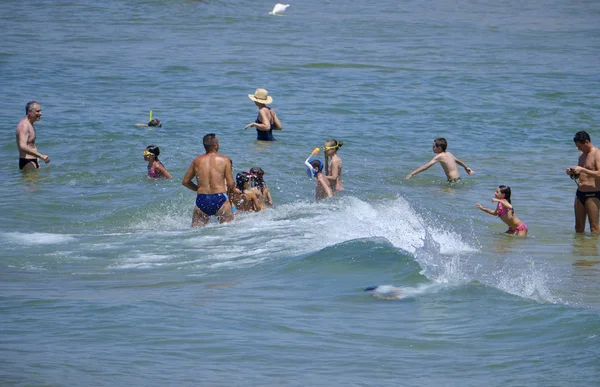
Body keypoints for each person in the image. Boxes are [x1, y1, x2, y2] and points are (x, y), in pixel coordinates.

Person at [182, 134, 235, 227]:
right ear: (216, 145)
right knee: (229, 232)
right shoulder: (224, 159)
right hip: (220, 198)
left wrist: (198, 189)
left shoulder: (197, 161)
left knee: (196, 234)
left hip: (202, 199)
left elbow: (185, 181)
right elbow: (231, 184)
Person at [566, 131, 600, 233]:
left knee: (594, 228)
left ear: (586, 142)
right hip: (579, 193)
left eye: (579, 146)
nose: (578, 148)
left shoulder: (597, 153)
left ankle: (593, 248)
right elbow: (581, 175)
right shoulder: (581, 154)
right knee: (578, 228)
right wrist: (573, 173)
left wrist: (582, 170)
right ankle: (580, 249)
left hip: (593, 194)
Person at [405, 138, 474, 183]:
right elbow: (458, 160)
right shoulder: (449, 153)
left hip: (452, 181)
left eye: (434, 146)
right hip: (458, 179)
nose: (433, 148)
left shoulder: (439, 156)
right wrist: (466, 167)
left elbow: (425, 167)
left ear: (439, 148)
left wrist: (412, 174)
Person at [16, 101, 50, 171]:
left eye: (40, 111)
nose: (40, 113)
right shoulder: (24, 126)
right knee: (30, 182)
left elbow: (31, 145)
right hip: (27, 161)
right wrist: (41, 156)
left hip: (33, 160)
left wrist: (37, 159)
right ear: (29, 112)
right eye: (38, 111)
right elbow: (22, 146)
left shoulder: (30, 124)